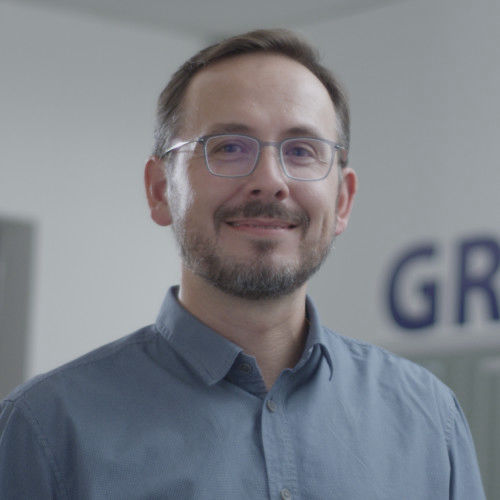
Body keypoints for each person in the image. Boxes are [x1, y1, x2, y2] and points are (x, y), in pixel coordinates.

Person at [0, 29, 485, 499]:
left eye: (302, 151)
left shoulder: (429, 418)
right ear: (160, 190)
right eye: (229, 147)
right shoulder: (46, 431)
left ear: (342, 201)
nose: (270, 181)